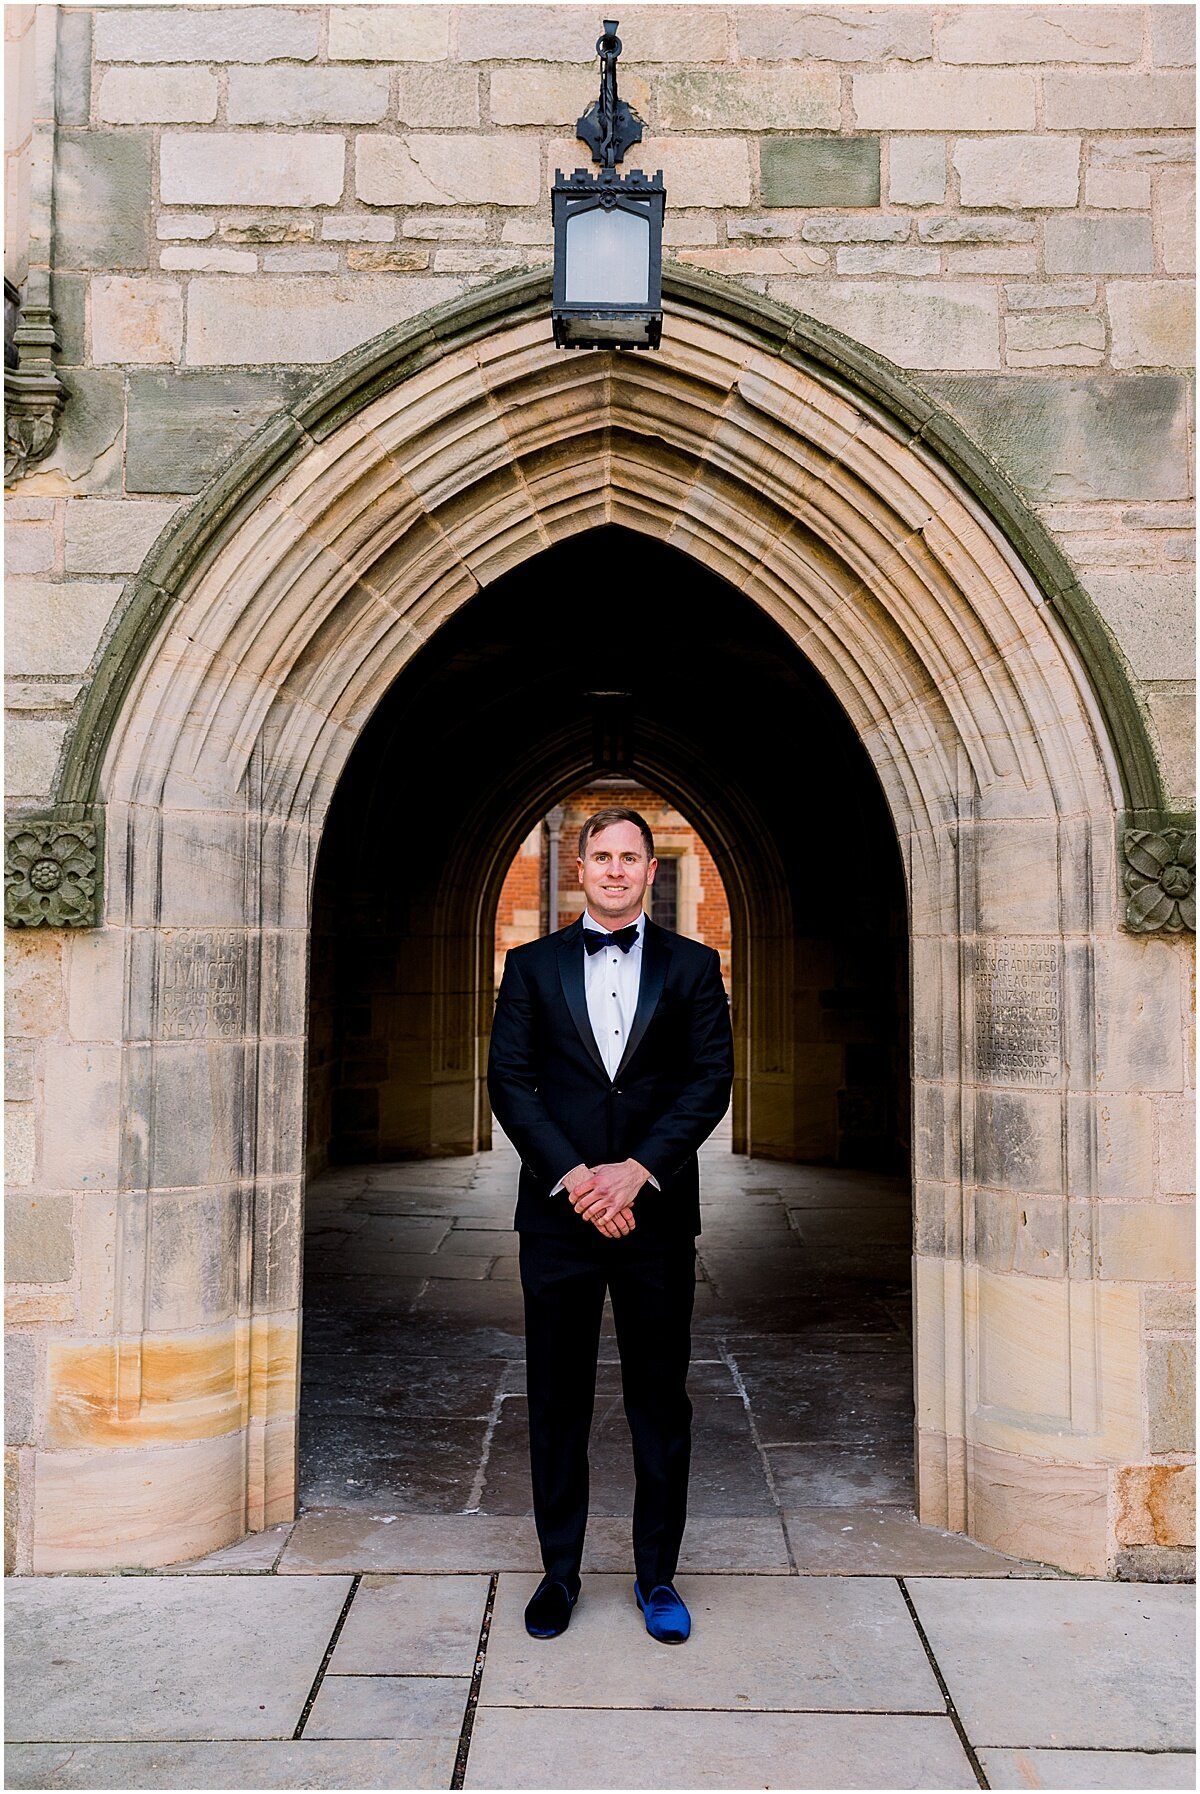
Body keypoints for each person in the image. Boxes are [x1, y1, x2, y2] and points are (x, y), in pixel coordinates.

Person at [487, 807, 734, 1644]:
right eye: (603, 856)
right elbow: (511, 1085)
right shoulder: (530, 966)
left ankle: (656, 1576)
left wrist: (636, 1172)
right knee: (556, 1398)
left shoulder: (695, 968)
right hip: (558, 1219)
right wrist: (577, 1178)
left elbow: (708, 1083)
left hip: (657, 1217)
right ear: (579, 868)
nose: (617, 869)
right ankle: (558, 1574)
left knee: (658, 1402)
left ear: (650, 873)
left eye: (632, 857)